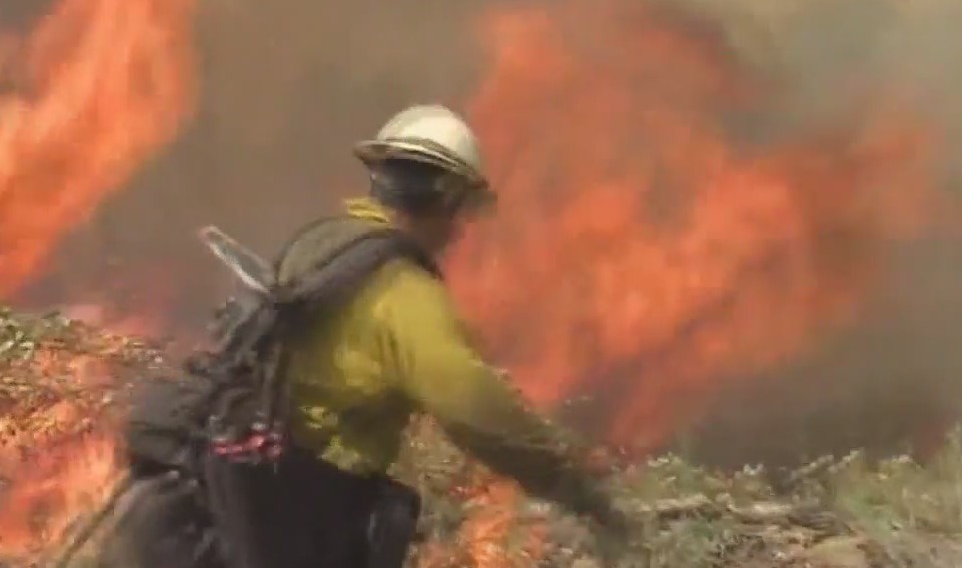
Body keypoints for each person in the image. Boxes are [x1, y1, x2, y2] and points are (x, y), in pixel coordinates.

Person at [101, 105, 635, 568]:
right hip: (303, 506)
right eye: (462, 212)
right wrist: (573, 486)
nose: (459, 229)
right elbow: (476, 409)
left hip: (236, 482)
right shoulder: (401, 294)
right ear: (447, 198)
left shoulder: (324, 245)